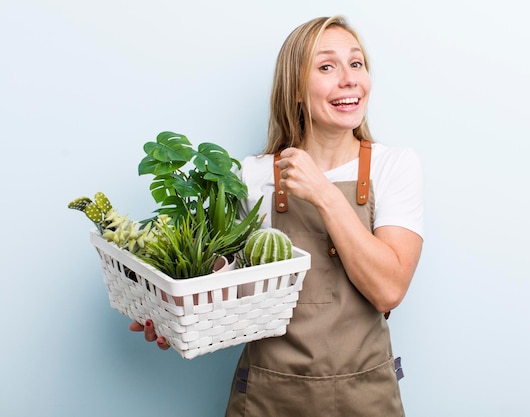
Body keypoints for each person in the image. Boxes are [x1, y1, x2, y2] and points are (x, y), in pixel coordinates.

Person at [131, 15, 424, 416]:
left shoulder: (394, 167)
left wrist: (323, 194)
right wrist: (172, 317)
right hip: (268, 397)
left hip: (366, 396)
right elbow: (227, 292)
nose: (349, 79)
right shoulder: (250, 177)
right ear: (297, 90)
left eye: (356, 63)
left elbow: (389, 289)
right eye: (326, 67)